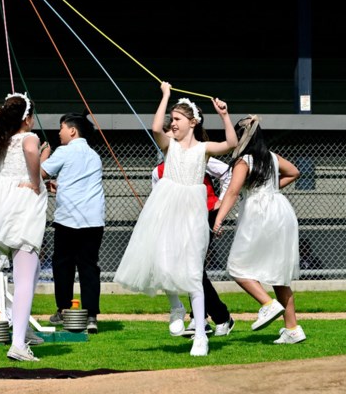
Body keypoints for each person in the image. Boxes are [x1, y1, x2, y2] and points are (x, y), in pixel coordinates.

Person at [114, 82, 235, 357]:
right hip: (167, 206)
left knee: (193, 272)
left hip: (192, 211)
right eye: (172, 119)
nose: (173, 123)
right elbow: (156, 128)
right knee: (162, 261)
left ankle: (201, 336)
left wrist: (225, 115)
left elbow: (231, 143)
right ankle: (176, 307)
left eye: (178, 119)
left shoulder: (203, 148)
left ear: (192, 122)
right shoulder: (171, 147)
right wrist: (165, 96)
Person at [214, 115, 304, 344]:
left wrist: (218, 219)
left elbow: (233, 192)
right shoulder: (272, 158)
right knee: (279, 275)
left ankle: (267, 304)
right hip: (281, 211)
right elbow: (294, 172)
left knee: (236, 267)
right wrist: (272, 187)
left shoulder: (244, 161)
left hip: (259, 211)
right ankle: (292, 329)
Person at [0, 92, 49, 362]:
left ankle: (23, 328)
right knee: (25, 271)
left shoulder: (2, 140)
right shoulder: (28, 138)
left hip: (1, 204)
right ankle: (18, 342)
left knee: (30, 271)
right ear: (27, 118)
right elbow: (32, 151)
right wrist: (35, 181)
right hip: (21, 204)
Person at [152, 114, 235, 339]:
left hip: (203, 214)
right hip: (176, 220)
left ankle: (211, 318)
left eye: (174, 128)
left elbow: (227, 173)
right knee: (185, 268)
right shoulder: (159, 169)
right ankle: (211, 317)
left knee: (194, 269)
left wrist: (220, 203)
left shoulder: (199, 154)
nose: (172, 134)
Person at [40, 112, 105, 334]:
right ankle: (91, 316)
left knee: (63, 265)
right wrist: (60, 186)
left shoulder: (64, 151)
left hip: (68, 219)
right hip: (94, 220)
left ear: (72, 130)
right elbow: (78, 181)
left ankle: (63, 308)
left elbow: (40, 173)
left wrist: (44, 155)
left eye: (61, 128)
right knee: (89, 267)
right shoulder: (94, 155)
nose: (59, 133)